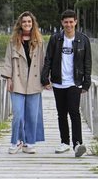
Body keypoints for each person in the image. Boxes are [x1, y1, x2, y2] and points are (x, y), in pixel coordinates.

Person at [41, 9, 92, 157]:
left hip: (74, 82)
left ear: (76, 22)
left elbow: (87, 62)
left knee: (74, 112)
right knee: (61, 113)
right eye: (66, 22)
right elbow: (48, 59)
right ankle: (64, 142)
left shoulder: (83, 39)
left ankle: (77, 144)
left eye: (71, 22)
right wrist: (45, 78)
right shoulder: (55, 38)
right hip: (58, 82)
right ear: (62, 23)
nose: (69, 25)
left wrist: (86, 83)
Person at [1, 11, 45, 154]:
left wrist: (46, 80)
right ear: (20, 23)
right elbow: (8, 60)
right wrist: (8, 78)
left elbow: (43, 62)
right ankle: (16, 141)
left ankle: (28, 142)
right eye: (24, 21)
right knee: (18, 114)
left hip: (34, 81)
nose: (27, 24)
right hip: (17, 82)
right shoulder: (13, 41)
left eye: (29, 22)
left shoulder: (39, 41)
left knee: (33, 114)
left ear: (33, 24)